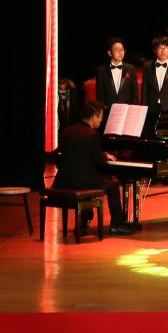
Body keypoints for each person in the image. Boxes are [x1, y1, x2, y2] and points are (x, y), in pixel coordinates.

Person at [54, 101, 134, 236]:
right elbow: (100, 162)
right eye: (100, 117)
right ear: (93, 117)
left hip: (64, 181)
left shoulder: (68, 131)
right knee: (112, 186)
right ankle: (117, 225)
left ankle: (83, 222)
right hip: (81, 183)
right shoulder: (92, 135)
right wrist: (105, 157)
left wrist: (102, 155)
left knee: (92, 177)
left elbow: (67, 155)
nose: (101, 120)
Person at [142, 36, 168, 113]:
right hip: (152, 107)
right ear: (154, 50)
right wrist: (143, 110)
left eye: (166, 48)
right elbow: (145, 90)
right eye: (160, 48)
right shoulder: (147, 66)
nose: (163, 51)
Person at [95, 37, 137, 109]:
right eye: (116, 50)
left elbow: (134, 93)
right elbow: (100, 95)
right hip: (108, 110)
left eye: (122, 49)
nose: (120, 52)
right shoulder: (101, 70)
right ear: (109, 53)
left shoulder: (131, 69)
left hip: (126, 110)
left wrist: (133, 109)